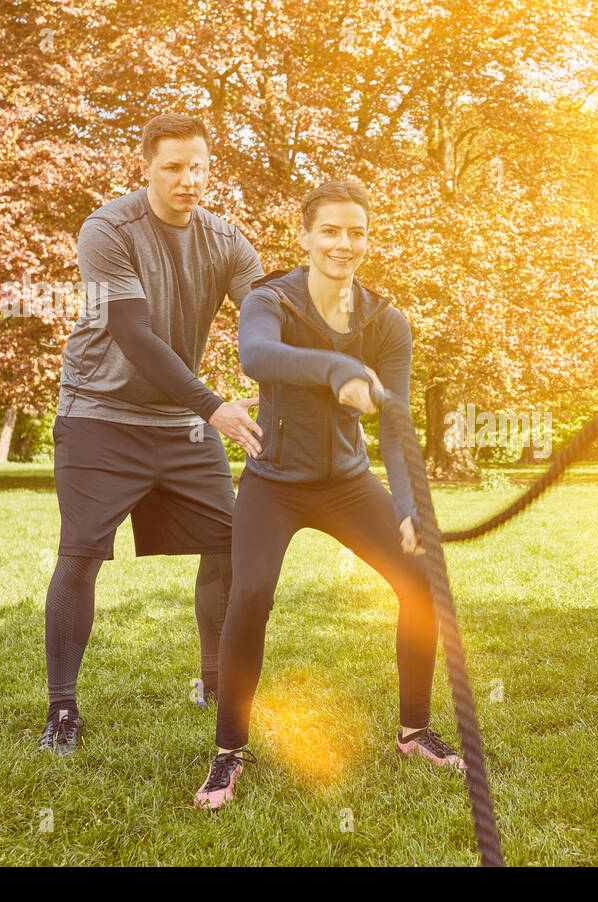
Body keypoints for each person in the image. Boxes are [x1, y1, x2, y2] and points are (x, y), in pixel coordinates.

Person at [193, 179, 462, 810]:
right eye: (331, 231)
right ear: (306, 237)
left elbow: (395, 426)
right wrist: (337, 368)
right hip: (274, 483)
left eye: (357, 232)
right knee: (250, 593)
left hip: (346, 482)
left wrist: (407, 504)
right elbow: (257, 357)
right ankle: (229, 751)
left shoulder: (385, 321)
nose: (345, 243)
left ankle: (414, 730)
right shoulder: (269, 300)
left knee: (419, 580)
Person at [41, 115, 265, 753]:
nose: (188, 179)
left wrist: (298, 374)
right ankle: (62, 709)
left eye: (198, 166)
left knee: (229, 542)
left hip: (177, 422)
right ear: (145, 166)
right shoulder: (108, 230)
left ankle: (214, 683)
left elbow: (264, 319)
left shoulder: (226, 240)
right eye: (173, 166)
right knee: (82, 554)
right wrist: (212, 405)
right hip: (99, 414)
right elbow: (133, 333)